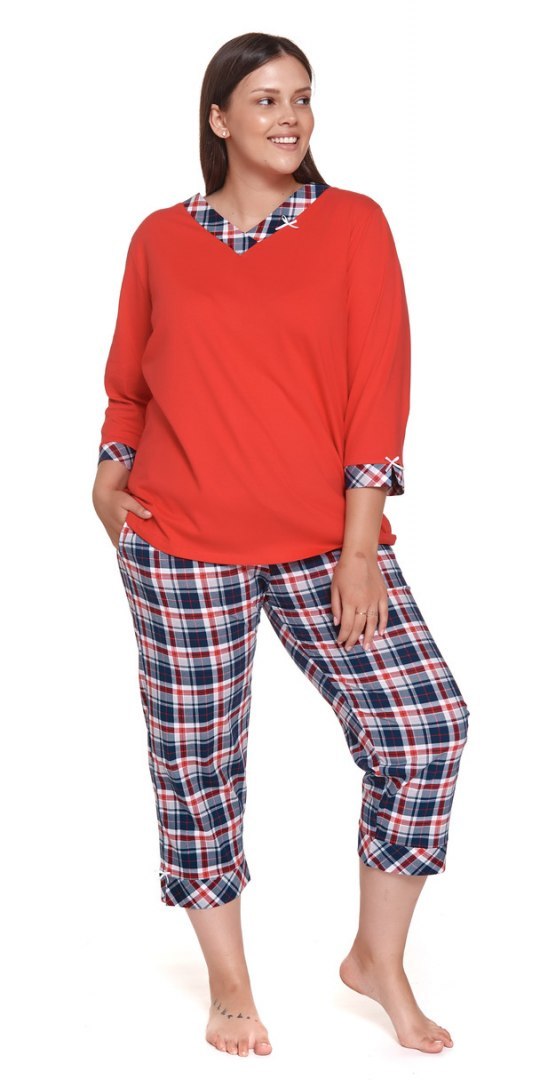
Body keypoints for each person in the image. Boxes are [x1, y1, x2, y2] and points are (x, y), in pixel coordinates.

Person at [92, 32, 470, 1059]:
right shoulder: (159, 239)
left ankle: (376, 960)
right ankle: (229, 986)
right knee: (196, 763)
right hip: (181, 546)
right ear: (219, 118)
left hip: (322, 545)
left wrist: (360, 548)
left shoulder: (352, 224)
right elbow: (129, 382)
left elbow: (378, 388)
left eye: (302, 97)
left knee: (424, 728)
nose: (290, 116)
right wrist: (110, 473)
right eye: (264, 100)